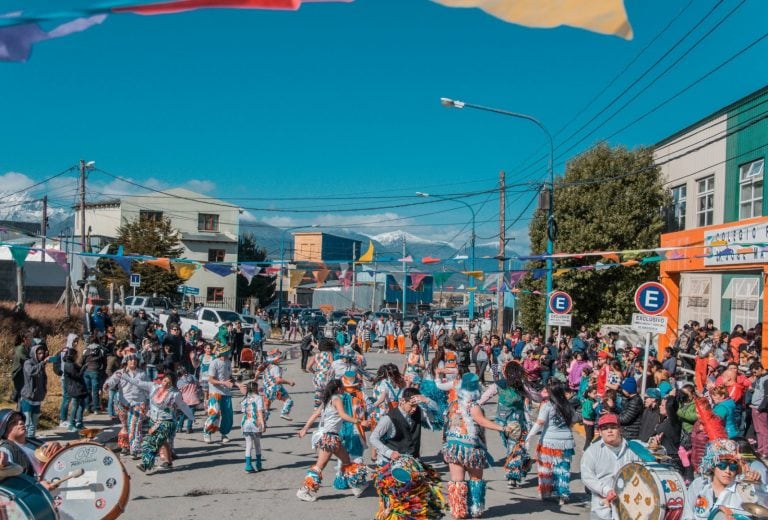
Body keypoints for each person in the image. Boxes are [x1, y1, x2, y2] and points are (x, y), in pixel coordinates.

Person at [442, 373, 517, 519]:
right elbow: (482, 422)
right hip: (471, 449)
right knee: (476, 479)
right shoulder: (473, 406)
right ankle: (475, 509)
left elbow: (447, 425)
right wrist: (503, 428)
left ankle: (458, 511)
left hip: (454, 447)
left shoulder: (453, 403)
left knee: (457, 481)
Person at [296, 379, 368, 502]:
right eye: (342, 387)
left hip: (331, 437)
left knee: (347, 461)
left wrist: (304, 429)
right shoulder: (337, 399)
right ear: (339, 389)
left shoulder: (327, 400)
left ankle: (356, 486)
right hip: (329, 438)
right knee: (320, 466)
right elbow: (343, 415)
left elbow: (314, 415)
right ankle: (303, 490)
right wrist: (360, 421)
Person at [120, 371, 194, 473]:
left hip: (166, 422)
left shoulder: (175, 394)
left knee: (152, 442)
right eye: (164, 381)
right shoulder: (153, 387)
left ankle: (146, 464)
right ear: (162, 380)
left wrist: (191, 416)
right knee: (162, 441)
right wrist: (124, 376)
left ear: (172, 384)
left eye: (169, 383)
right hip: (154, 420)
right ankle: (168, 462)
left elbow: (182, 405)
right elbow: (137, 382)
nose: (165, 384)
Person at [478, 360, 532, 488]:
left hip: (502, 422)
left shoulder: (502, 384)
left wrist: (474, 406)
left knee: (512, 446)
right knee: (514, 447)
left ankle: (513, 474)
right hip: (514, 422)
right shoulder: (521, 385)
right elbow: (535, 397)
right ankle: (515, 471)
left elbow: (484, 398)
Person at [580, 413, 642, 519]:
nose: (609, 431)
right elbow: (587, 477)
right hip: (602, 509)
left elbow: (645, 469)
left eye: (613, 427)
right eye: (604, 428)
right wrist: (606, 490)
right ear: (600, 432)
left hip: (629, 509)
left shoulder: (634, 449)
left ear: (620, 429)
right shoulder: (592, 451)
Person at [525, 379, 575, 505]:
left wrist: (529, 436)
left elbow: (540, 422)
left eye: (546, 390)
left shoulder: (547, 405)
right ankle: (562, 494)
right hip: (566, 441)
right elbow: (573, 419)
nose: (543, 391)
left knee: (545, 467)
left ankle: (546, 492)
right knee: (562, 468)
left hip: (549, 442)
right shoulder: (567, 404)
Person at [684, 438, 759, 519]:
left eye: (733, 466)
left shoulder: (742, 489)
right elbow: (687, 515)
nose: (728, 471)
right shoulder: (699, 484)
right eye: (722, 465)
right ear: (712, 466)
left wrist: (758, 484)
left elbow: (760, 508)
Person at [20, 341, 53, 439]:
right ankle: (24, 440)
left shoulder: (41, 365)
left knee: (34, 422)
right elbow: (31, 371)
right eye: (39, 353)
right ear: (34, 353)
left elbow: (43, 380)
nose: (41, 355)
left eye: (42, 353)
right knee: (27, 422)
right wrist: (43, 363)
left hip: (38, 397)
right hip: (28, 397)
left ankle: (31, 439)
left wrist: (44, 391)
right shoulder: (28, 363)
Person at [204, 344, 235, 444]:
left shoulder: (229, 362)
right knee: (214, 413)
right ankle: (207, 432)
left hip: (226, 392)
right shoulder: (214, 363)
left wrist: (238, 384)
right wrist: (223, 383)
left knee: (228, 415)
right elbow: (211, 379)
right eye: (228, 351)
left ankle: (223, 434)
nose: (230, 353)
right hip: (215, 391)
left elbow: (230, 377)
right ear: (223, 352)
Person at [262, 348, 295, 421]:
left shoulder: (267, 366)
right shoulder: (275, 368)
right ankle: (284, 412)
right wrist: (289, 382)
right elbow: (278, 380)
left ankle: (262, 421)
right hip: (275, 388)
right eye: (279, 358)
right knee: (288, 400)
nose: (280, 359)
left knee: (266, 406)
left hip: (267, 388)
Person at [240, 380, 267, 473]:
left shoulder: (244, 399)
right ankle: (258, 464)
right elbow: (259, 411)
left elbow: (244, 411)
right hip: (255, 423)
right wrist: (263, 424)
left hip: (245, 423)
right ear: (256, 389)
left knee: (248, 445)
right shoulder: (258, 398)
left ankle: (248, 465)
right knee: (257, 444)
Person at [307, 338, 336, 409]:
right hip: (326, 376)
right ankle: (327, 408)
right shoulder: (329, 354)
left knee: (318, 393)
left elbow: (308, 367)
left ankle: (316, 408)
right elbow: (333, 365)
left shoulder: (316, 355)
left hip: (317, 377)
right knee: (328, 393)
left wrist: (314, 372)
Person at [11, 328, 35, 404]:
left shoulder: (28, 348)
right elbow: (27, 360)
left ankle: (20, 412)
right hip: (18, 375)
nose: (32, 339)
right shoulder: (20, 349)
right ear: (24, 339)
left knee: (22, 395)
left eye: (32, 337)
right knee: (21, 396)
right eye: (30, 337)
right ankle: (19, 413)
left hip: (24, 374)